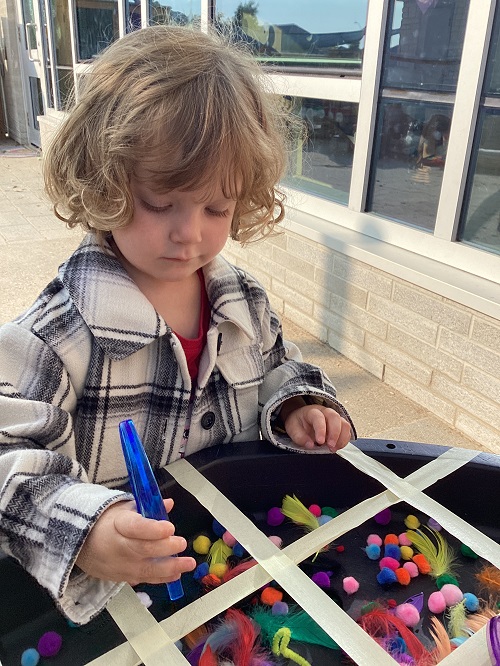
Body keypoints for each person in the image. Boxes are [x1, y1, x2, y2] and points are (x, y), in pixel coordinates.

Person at [0, 25, 355, 624]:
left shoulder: (241, 301)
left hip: (239, 571)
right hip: (113, 603)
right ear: (103, 180)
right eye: (160, 203)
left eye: (216, 207)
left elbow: (277, 366)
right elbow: (7, 453)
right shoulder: (58, 332)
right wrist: (85, 528)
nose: (190, 231)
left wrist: (298, 403)